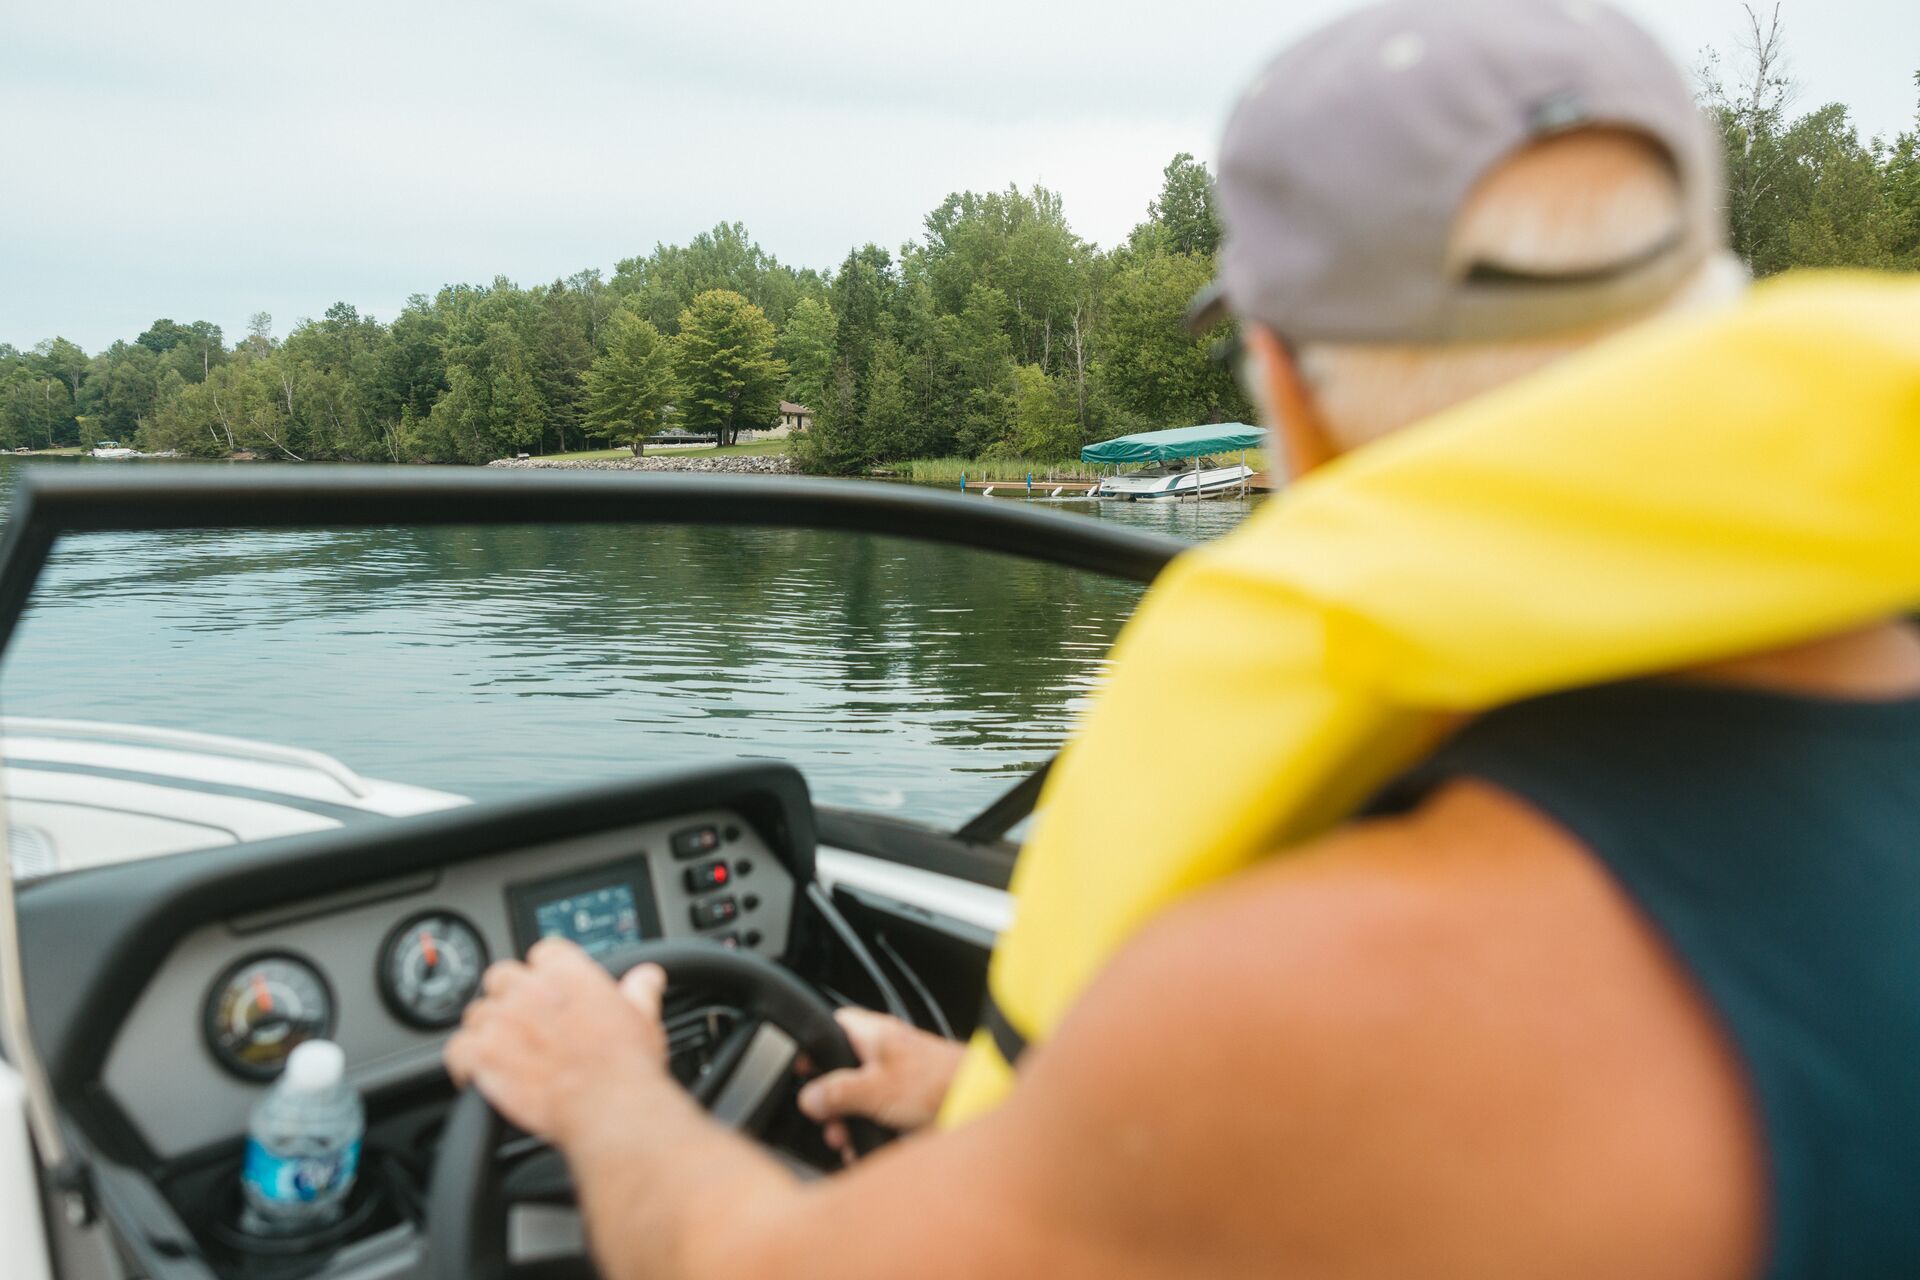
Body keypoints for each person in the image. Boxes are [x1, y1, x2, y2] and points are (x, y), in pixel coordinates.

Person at [446, 2, 1920, 1276]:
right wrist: (1001, 1102)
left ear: (1283, 374)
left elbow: (767, 1265)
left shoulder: (1346, 984)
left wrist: (603, 1092)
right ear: (1710, 297)